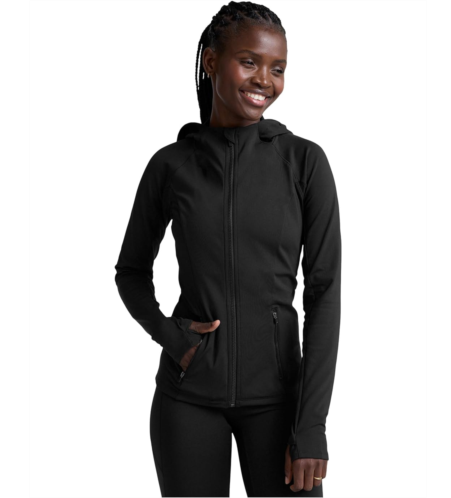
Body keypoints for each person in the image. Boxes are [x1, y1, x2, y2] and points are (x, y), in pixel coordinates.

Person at [114, 2, 342, 496]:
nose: (265, 80)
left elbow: (324, 295)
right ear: (212, 61)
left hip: (280, 404)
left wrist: (311, 425)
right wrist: (171, 337)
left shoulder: (304, 162)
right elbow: (130, 271)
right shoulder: (171, 166)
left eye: (277, 68)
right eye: (250, 62)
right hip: (188, 400)